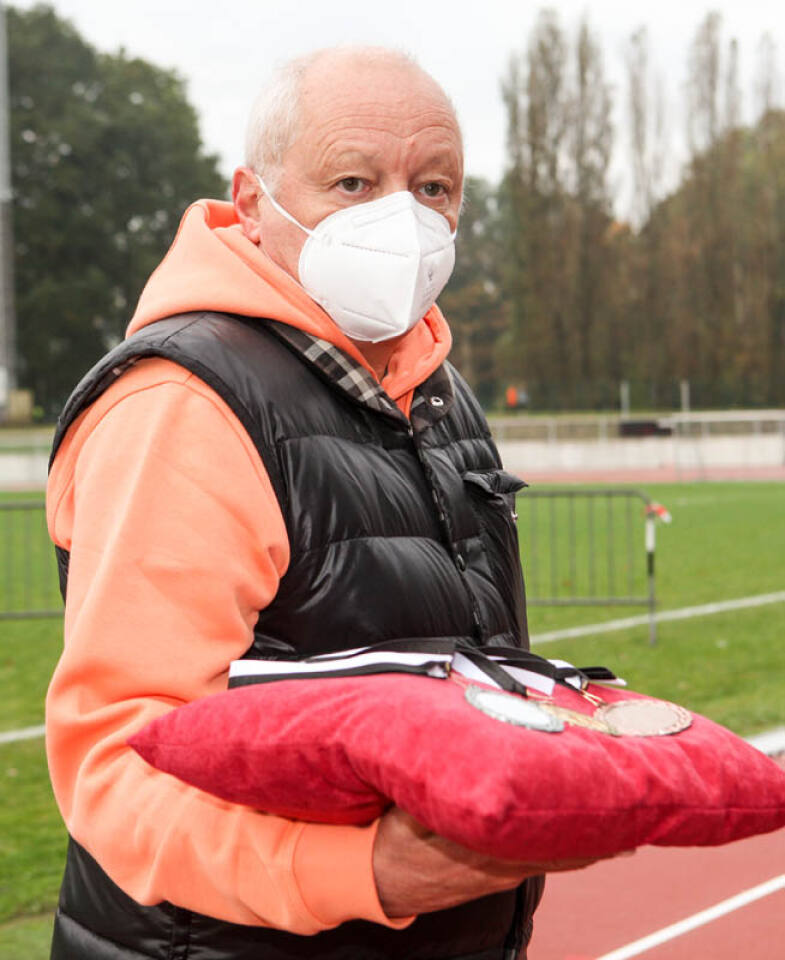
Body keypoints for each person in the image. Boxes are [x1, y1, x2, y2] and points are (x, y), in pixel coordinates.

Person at [45, 47, 593, 960]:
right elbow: (120, 765)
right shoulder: (186, 405)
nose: (401, 216)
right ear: (252, 202)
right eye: (352, 181)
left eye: (433, 186)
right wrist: (362, 872)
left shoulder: (434, 388)